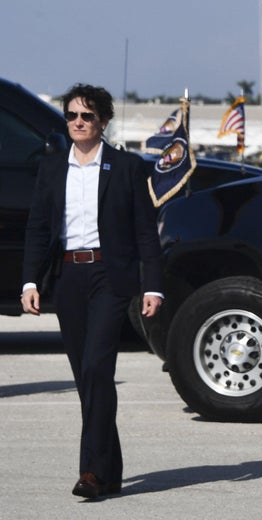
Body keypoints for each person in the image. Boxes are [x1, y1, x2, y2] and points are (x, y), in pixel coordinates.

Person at [20, 84, 164, 499]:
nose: (77, 123)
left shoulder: (126, 167)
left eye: (86, 116)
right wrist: (31, 281)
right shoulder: (51, 168)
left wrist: (152, 285)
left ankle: (91, 473)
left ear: (103, 121)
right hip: (68, 277)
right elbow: (38, 228)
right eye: (71, 116)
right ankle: (110, 471)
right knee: (86, 380)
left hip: (109, 277)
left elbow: (144, 232)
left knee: (98, 368)